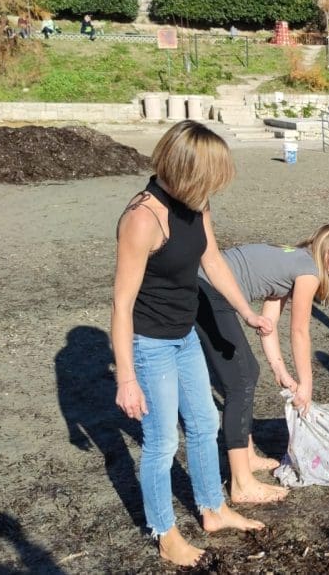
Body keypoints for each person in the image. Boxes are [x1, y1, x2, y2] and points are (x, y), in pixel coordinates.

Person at [111, 120, 272, 566]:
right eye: (208, 179)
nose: (211, 190)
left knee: (203, 424)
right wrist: (126, 378)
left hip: (184, 337)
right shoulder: (141, 219)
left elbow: (213, 260)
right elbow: (121, 304)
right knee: (162, 442)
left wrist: (247, 311)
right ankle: (165, 534)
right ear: (184, 171)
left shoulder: (195, 203)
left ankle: (213, 509)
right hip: (151, 344)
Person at [195, 224, 329, 503]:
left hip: (206, 285)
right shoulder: (309, 271)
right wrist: (306, 385)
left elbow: (268, 325)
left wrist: (280, 371)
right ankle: (241, 483)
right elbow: (299, 331)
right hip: (208, 288)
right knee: (242, 378)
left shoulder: (293, 258)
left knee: (248, 372)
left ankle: (246, 456)